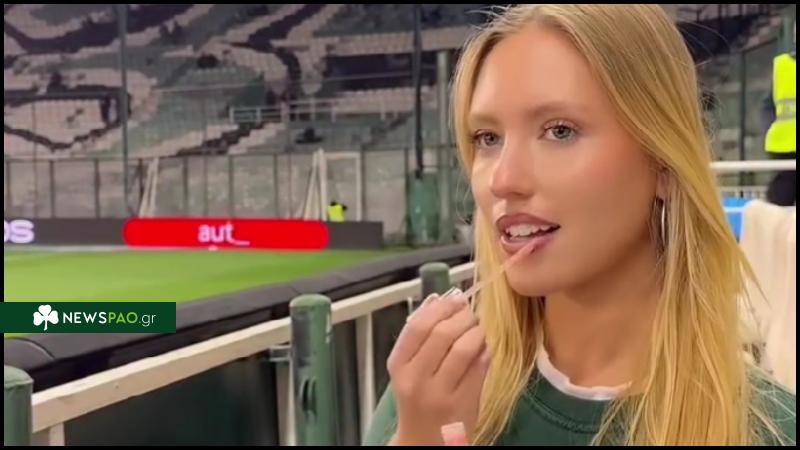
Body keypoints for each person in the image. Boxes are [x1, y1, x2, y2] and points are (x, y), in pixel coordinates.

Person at [365, 5, 795, 446]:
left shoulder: (771, 432)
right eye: (487, 138)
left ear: (665, 163)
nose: (502, 180)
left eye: (560, 131)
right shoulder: (432, 393)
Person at [762, 21, 796, 206]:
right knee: (780, 201)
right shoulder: (781, 65)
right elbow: (768, 105)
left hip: (783, 145)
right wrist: (769, 129)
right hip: (784, 146)